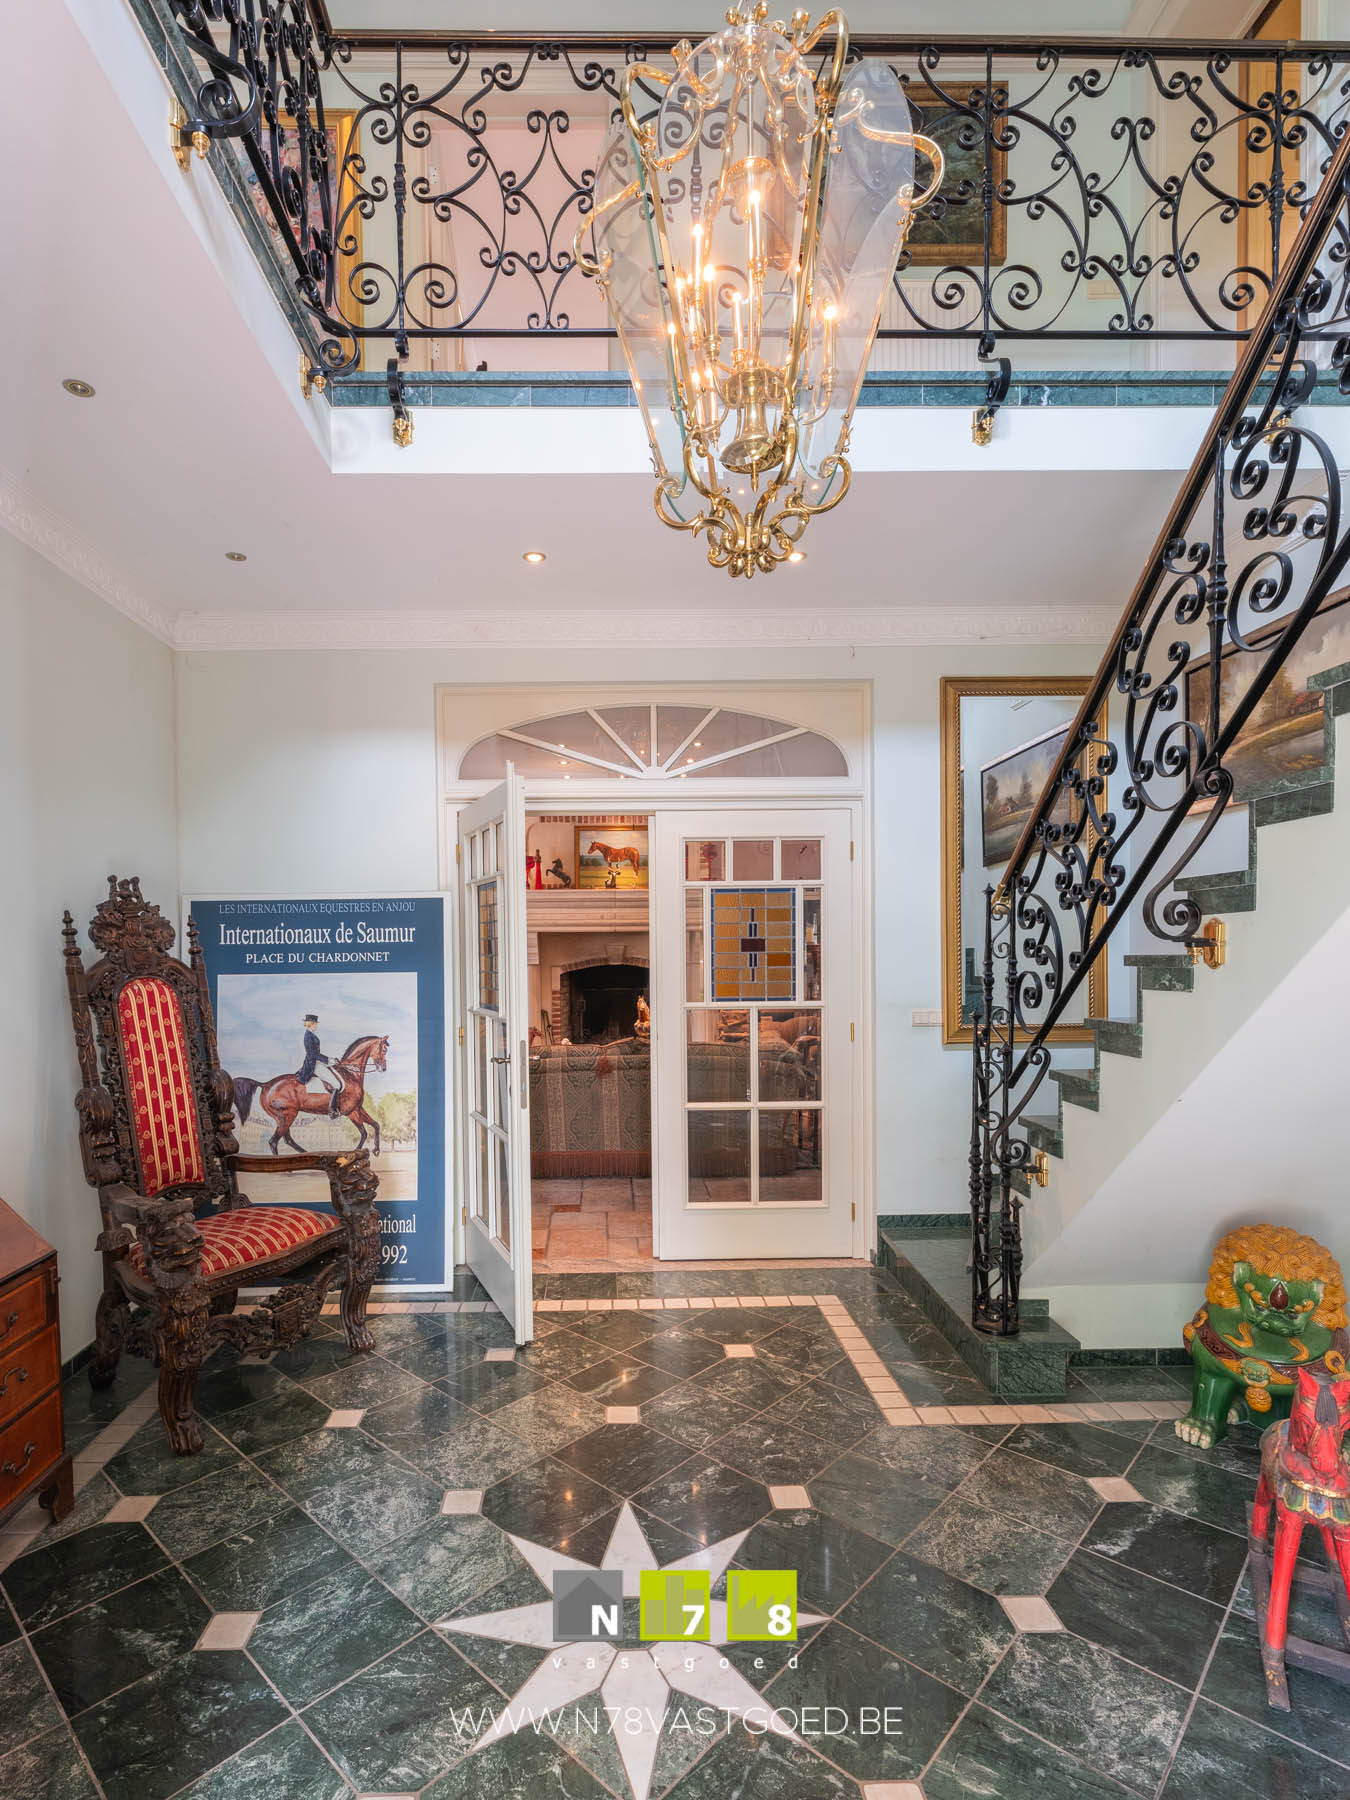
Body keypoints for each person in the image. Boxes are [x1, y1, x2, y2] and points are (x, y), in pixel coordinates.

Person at [297, 1014, 343, 1118]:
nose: (316, 1026)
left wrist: (330, 1060)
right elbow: (313, 1054)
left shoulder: (311, 1034)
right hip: (313, 1064)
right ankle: (332, 1110)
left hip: (317, 1062)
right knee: (336, 1084)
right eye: (315, 1024)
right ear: (312, 1024)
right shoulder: (308, 1036)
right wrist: (329, 1060)